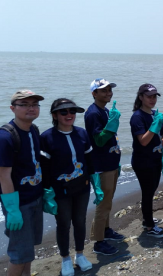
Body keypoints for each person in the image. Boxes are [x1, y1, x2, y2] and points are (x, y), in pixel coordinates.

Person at [40, 98, 95, 276]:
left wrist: (97, 184)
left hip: (82, 188)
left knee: (80, 221)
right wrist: (46, 192)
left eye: (72, 111)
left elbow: (89, 161)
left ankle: (80, 254)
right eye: (63, 112)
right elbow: (44, 168)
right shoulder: (47, 137)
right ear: (55, 115)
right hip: (60, 191)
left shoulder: (82, 133)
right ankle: (65, 258)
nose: (69, 115)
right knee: (63, 224)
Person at [0, 90, 51, 276]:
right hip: (19, 204)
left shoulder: (34, 130)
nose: (31, 108)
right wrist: (12, 210)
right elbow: (3, 176)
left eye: (35, 104)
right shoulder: (5, 137)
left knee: (28, 251)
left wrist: (45, 192)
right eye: (25, 104)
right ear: (13, 108)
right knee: (19, 255)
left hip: (35, 198)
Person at [84, 78, 124, 255]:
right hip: (101, 166)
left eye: (109, 90)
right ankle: (98, 242)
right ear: (94, 93)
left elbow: (110, 139)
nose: (109, 93)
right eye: (104, 90)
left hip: (111, 163)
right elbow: (98, 141)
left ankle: (106, 231)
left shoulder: (105, 110)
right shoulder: (93, 113)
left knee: (108, 202)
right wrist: (110, 127)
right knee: (103, 204)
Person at [130, 83, 163, 237]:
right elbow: (144, 141)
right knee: (147, 192)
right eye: (149, 96)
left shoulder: (154, 114)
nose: (152, 99)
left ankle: (148, 220)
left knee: (152, 191)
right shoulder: (137, 117)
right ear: (141, 97)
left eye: (154, 96)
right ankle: (149, 227)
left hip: (156, 160)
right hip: (143, 162)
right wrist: (153, 127)